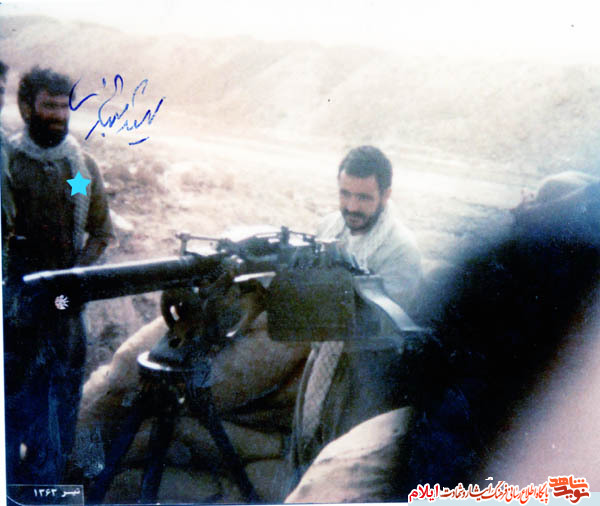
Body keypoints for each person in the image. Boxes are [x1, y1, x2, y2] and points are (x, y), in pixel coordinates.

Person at [286, 145, 423, 493]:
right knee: (303, 445)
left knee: (340, 469)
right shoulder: (329, 226)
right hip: (323, 358)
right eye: (345, 194)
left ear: (386, 195)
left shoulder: (401, 250)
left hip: (364, 376)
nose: (351, 206)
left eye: (363, 197)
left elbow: (383, 329)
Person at [3, 66, 114, 484]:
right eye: (49, 106)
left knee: (59, 407)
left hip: (64, 311)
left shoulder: (82, 167)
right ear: (25, 107)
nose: (58, 116)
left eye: (64, 106)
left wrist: (75, 275)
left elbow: (101, 232)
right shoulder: (8, 163)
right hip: (15, 307)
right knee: (10, 405)